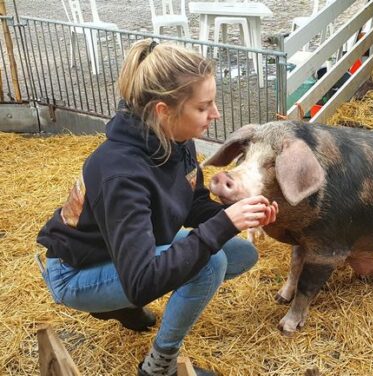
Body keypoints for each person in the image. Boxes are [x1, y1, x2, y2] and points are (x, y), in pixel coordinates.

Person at [36, 39, 278, 376]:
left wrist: (235, 216)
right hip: (75, 271)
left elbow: (192, 204)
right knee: (209, 264)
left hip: (124, 252)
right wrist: (220, 227)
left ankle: (118, 306)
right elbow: (141, 280)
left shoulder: (177, 141)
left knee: (240, 254)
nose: (215, 114)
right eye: (203, 107)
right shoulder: (120, 173)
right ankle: (159, 366)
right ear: (164, 111)